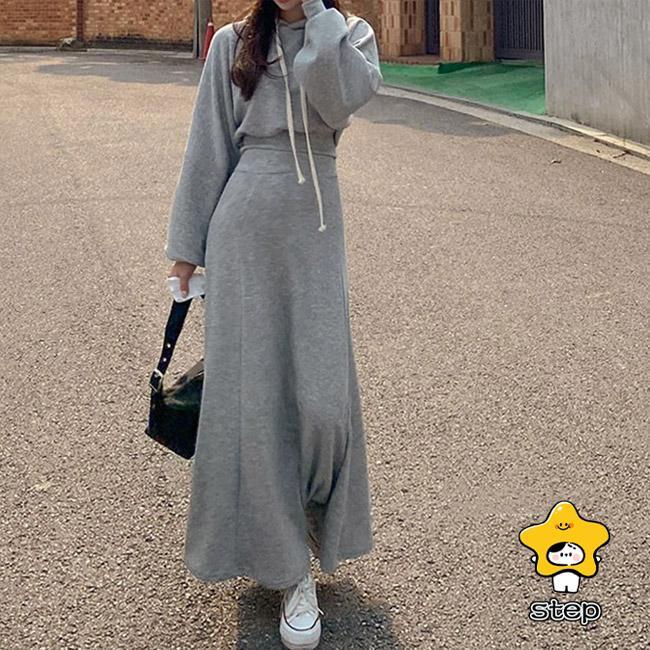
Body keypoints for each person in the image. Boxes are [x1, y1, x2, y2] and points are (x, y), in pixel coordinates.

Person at [164, 0, 382, 647]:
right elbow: (208, 144)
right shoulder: (233, 42)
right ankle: (290, 571)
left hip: (314, 233)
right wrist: (187, 249)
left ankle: (312, 522)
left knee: (323, 403)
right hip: (243, 235)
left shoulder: (350, 36)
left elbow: (336, 101)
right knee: (255, 405)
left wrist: (315, 15)